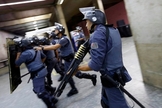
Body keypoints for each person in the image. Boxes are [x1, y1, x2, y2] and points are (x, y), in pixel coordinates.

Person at [77, 7, 132, 108]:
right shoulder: (113, 29)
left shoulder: (97, 35)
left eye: (87, 21)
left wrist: (77, 68)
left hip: (110, 76)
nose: (86, 25)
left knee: (118, 105)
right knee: (106, 102)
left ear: (94, 20)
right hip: (118, 72)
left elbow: (95, 65)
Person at [34, 22, 97, 97]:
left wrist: (42, 48)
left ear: (60, 30)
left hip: (70, 60)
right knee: (67, 75)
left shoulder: (64, 39)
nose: (55, 32)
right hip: (67, 60)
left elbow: (55, 47)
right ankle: (74, 88)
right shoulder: (60, 39)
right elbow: (54, 46)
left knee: (77, 74)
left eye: (56, 30)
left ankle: (92, 77)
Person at [15, 38, 58, 108]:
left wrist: (18, 54)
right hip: (43, 70)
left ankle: (51, 105)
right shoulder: (36, 49)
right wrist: (39, 64)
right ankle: (53, 98)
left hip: (37, 74)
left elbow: (16, 65)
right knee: (42, 87)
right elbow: (44, 57)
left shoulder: (25, 54)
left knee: (40, 93)